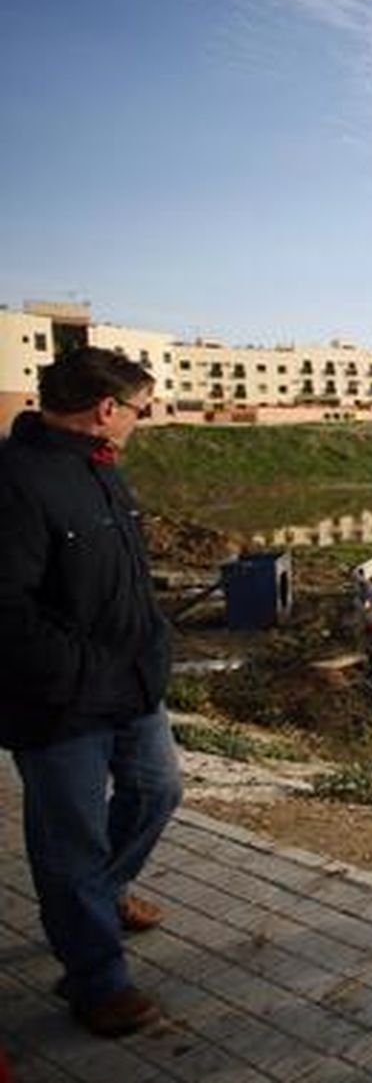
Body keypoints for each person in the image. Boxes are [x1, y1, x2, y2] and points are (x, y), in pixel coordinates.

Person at [0, 347, 185, 1038]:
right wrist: (84, 672)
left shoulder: (101, 469)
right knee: (68, 843)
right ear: (106, 411)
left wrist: (152, 645)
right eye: (141, 410)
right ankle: (96, 980)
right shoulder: (16, 481)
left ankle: (101, 896)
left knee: (158, 791)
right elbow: (7, 613)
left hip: (133, 683)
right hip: (59, 703)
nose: (144, 420)